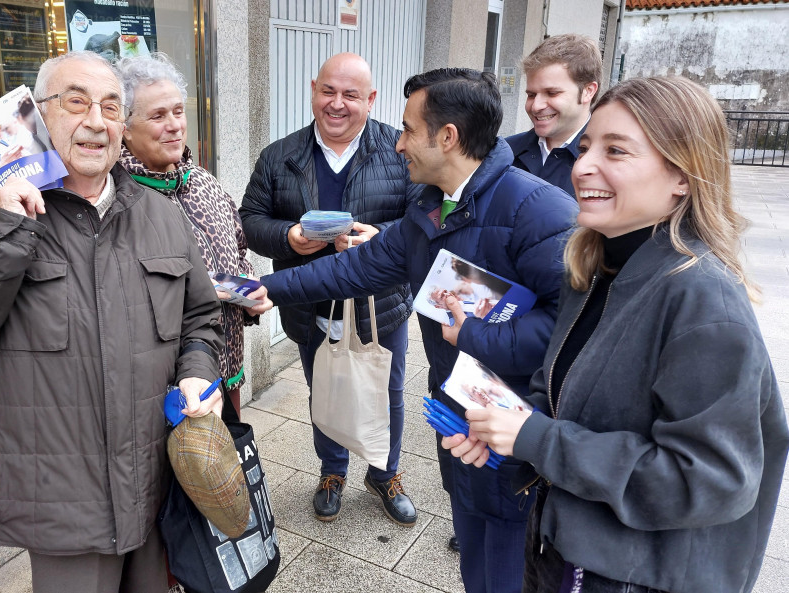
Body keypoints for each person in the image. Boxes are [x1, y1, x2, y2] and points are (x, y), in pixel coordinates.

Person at [0, 51, 225, 593]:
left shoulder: (159, 214)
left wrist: (196, 368)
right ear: (36, 116)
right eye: (76, 102)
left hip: (160, 490)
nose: (96, 120)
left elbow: (201, 316)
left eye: (112, 106)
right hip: (62, 511)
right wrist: (4, 230)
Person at [444, 76, 789, 593]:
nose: (582, 167)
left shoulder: (703, 301)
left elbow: (711, 481)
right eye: (585, 147)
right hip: (567, 547)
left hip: (638, 573)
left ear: (683, 176)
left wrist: (538, 438)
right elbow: (562, 394)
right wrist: (509, 427)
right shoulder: (594, 266)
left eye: (616, 151)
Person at [260, 68, 577, 593]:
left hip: (515, 429)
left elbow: (573, 330)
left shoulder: (537, 211)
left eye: (409, 130)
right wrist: (267, 290)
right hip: (456, 411)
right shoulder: (429, 205)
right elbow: (352, 270)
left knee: (509, 564)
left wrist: (476, 338)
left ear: (447, 138)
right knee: (471, 542)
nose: (399, 142)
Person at [239, 52, 422, 527]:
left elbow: (426, 218)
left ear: (371, 99)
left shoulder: (399, 151)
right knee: (325, 392)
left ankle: (385, 472)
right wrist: (289, 238)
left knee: (389, 392)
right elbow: (250, 222)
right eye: (328, 91)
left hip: (383, 307)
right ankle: (332, 471)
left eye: (351, 95)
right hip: (310, 304)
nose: (337, 104)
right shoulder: (280, 157)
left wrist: (384, 240)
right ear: (313, 89)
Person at [117, 52, 272, 417]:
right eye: (157, 116)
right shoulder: (118, 197)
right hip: (166, 389)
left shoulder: (203, 180)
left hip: (225, 368)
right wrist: (198, 292)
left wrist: (248, 291)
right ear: (124, 127)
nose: (174, 125)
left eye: (177, 111)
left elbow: (239, 248)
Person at [506, 34, 601, 197]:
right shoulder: (504, 154)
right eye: (531, 95)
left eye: (552, 93)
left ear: (588, 91)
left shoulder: (607, 166)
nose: (536, 106)